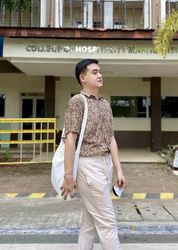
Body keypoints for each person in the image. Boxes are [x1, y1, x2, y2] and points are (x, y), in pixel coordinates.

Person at [61, 59, 126, 250]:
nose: (100, 75)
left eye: (100, 71)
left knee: (89, 224)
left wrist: (118, 171)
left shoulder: (105, 104)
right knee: (107, 222)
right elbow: (70, 139)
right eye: (94, 72)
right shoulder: (77, 102)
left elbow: (111, 138)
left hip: (105, 165)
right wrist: (68, 175)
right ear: (83, 78)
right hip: (88, 166)